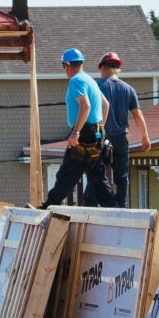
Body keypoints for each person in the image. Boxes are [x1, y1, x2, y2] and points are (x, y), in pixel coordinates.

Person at [43, 47, 113, 208]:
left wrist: (76, 132)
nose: (64, 70)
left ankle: (48, 205)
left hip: (84, 133)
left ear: (67, 65)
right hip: (96, 132)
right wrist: (100, 127)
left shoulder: (76, 81)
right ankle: (113, 207)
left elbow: (85, 105)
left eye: (64, 66)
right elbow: (106, 105)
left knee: (68, 172)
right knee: (97, 175)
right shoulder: (90, 80)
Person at [94, 50, 151, 208]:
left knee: (96, 173)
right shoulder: (128, 89)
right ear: (117, 68)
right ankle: (121, 207)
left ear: (103, 68)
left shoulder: (96, 87)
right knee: (121, 176)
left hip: (100, 137)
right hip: (120, 138)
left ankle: (91, 205)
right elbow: (137, 115)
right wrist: (145, 136)